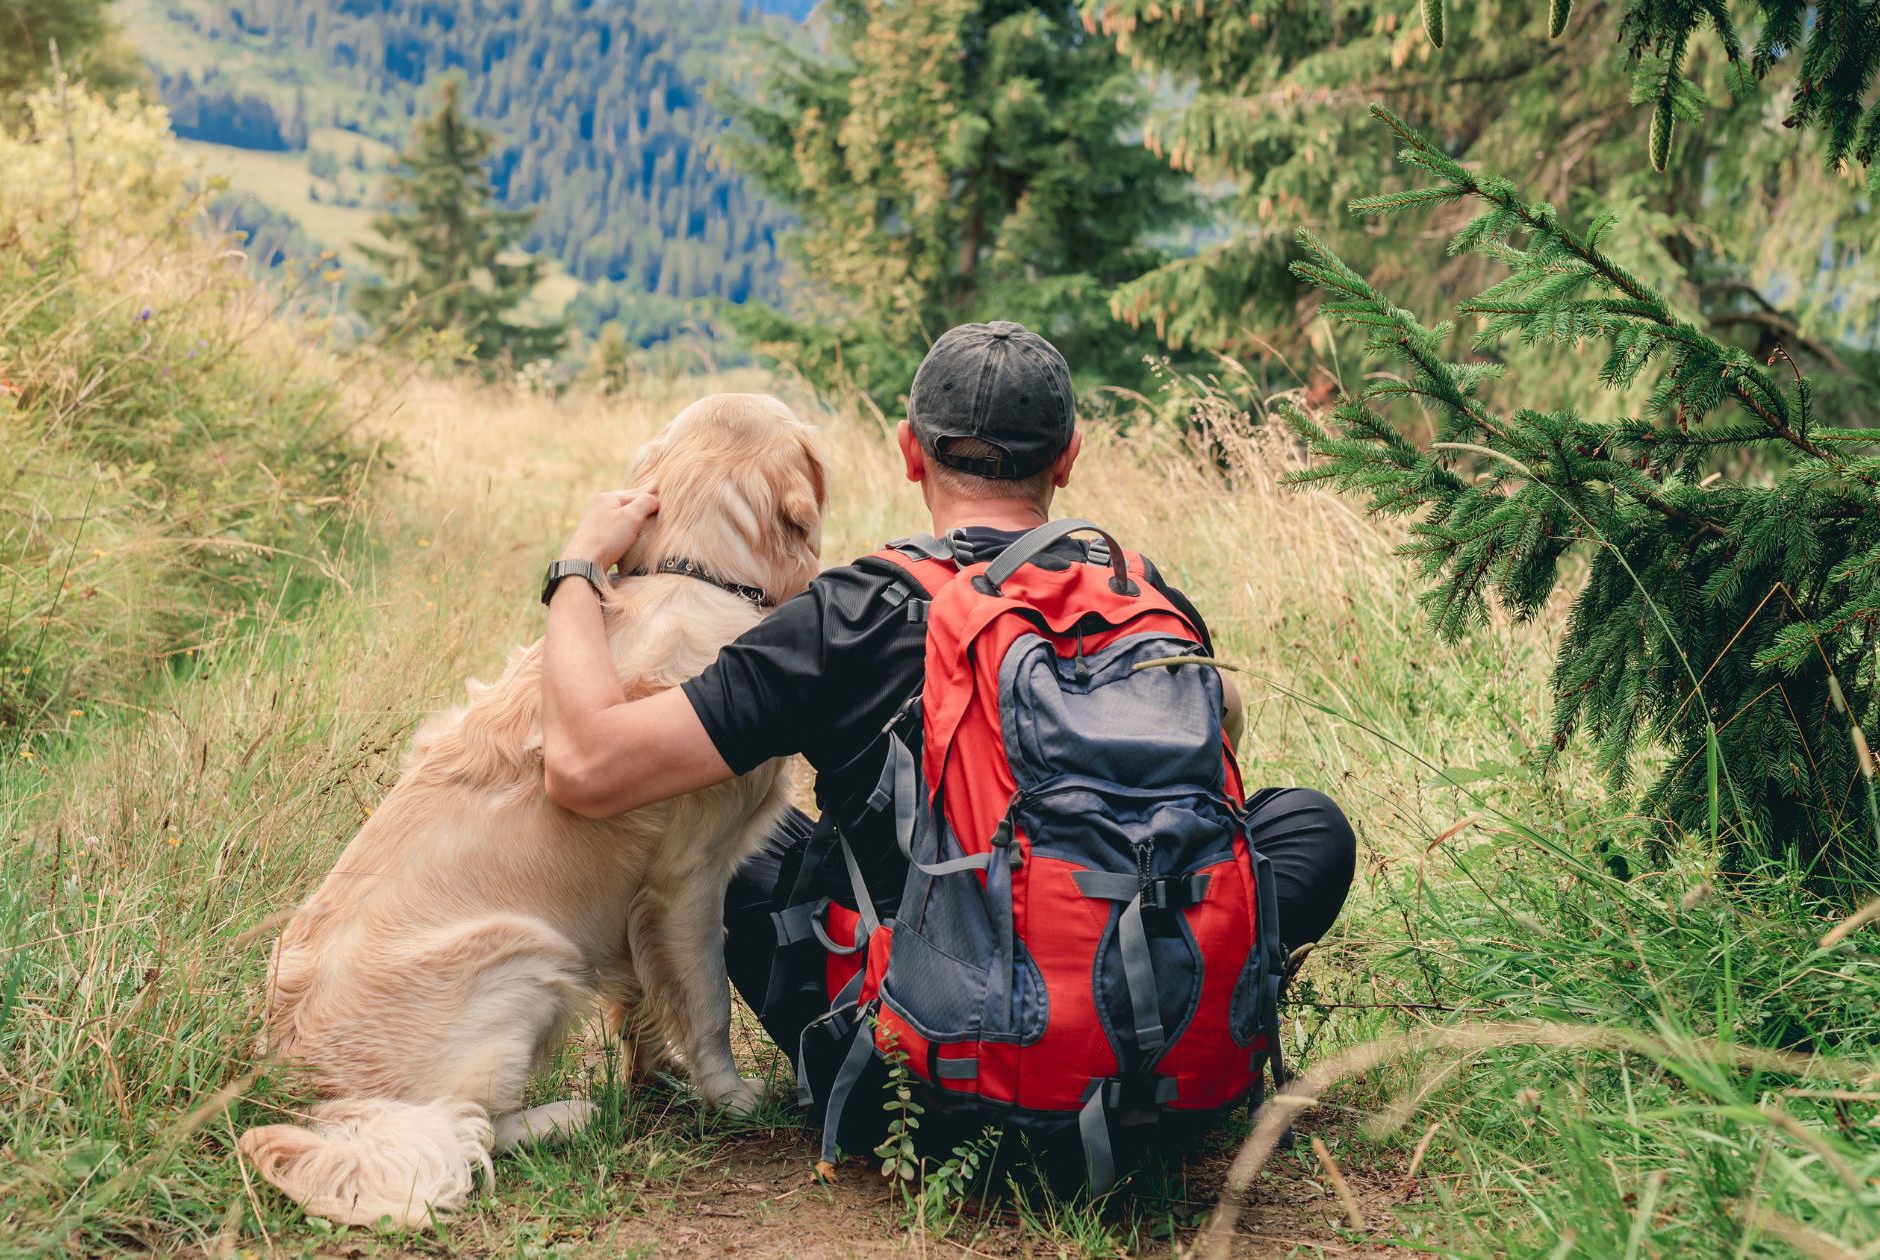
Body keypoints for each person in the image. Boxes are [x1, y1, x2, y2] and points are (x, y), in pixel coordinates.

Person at [538, 321, 1356, 1156]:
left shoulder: (853, 615)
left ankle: (922, 1029)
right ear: (1067, 458)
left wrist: (577, 568)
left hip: (913, 1099)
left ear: (910, 452)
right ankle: (1167, 1025)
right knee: (1306, 822)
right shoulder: (1146, 599)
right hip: (1160, 1078)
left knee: (741, 829)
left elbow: (585, 768)